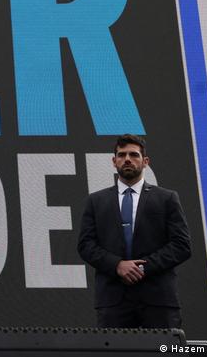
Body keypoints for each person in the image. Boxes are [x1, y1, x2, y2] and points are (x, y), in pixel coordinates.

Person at [77, 134, 191, 328]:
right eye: (121, 155)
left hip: (158, 300)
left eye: (134, 154)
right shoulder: (95, 201)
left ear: (145, 161)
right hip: (113, 301)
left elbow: (182, 245)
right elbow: (86, 245)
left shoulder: (167, 198)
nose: (127, 159)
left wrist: (142, 268)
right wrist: (117, 265)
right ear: (114, 161)